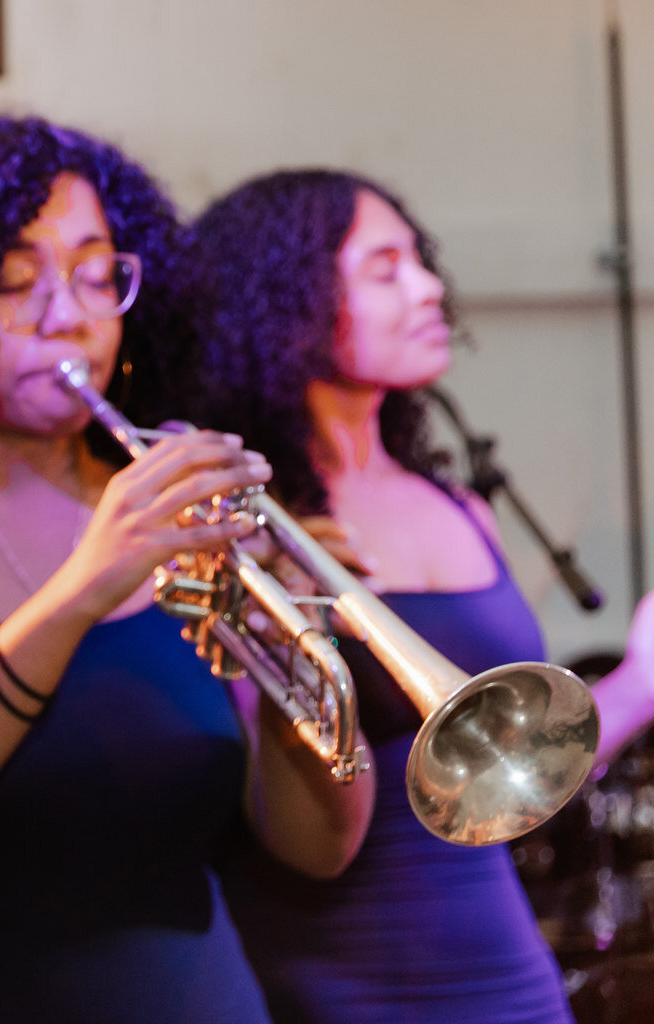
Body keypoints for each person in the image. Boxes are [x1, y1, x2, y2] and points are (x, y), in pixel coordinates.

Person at [0, 117, 373, 1024]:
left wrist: (297, 643)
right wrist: (83, 586)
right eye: (14, 278)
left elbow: (320, 849)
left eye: (96, 273)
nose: (68, 315)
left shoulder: (181, 512)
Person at [183, 168, 654, 1024]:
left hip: (505, 979)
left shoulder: (459, 507)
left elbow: (515, 781)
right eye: (385, 266)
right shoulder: (240, 520)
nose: (431, 286)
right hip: (336, 981)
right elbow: (285, 825)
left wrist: (641, 679)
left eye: (420, 260)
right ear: (287, 301)